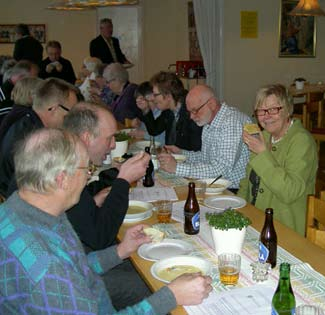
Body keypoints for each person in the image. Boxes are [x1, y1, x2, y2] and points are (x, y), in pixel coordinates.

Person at [0, 128, 212, 314]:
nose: (87, 178)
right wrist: (171, 296)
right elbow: (60, 274)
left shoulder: (22, 208)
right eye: (87, 170)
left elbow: (74, 267)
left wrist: (120, 251)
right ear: (62, 179)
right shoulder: (47, 268)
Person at [62, 102, 151, 309]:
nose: (113, 145)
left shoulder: (65, 161)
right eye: (109, 138)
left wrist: (92, 201)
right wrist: (123, 181)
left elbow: (79, 219)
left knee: (144, 261)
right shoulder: (68, 174)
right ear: (86, 138)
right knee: (149, 283)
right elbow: (101, 238)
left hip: (79, 258)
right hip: (77, 280)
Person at [238, 84, 318, 236]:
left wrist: (262, 153)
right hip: (255, 220)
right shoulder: (265, 136)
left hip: (284, 228)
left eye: (273, 109)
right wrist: (237, 209)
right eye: (261, 111)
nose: (266, 116)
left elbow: (289, 191)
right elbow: (247, 182)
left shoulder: (302, 141)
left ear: (288, 110)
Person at [158, 84, 250, 190]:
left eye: (195, 110)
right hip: (214, 185)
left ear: (211, 104)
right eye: (189, 112)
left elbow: (222, 169)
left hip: (233, 191)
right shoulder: (209, 120)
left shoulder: (232, 122)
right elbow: (206, 158)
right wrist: (181, 153)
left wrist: (178, 168)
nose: (191, 117)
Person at [0, 78, 77, 197]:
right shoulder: (35, 139)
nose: (71, 119)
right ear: (53, 109)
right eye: (70, 113)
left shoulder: (28, 123)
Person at [137, 71, 202, 151]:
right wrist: (146, 109)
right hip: (171, 158)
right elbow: (154, 130)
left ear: (168, 96)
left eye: (155, 95)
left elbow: (195, 149)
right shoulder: (169, 111)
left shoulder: (191, 113)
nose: (153, 98)